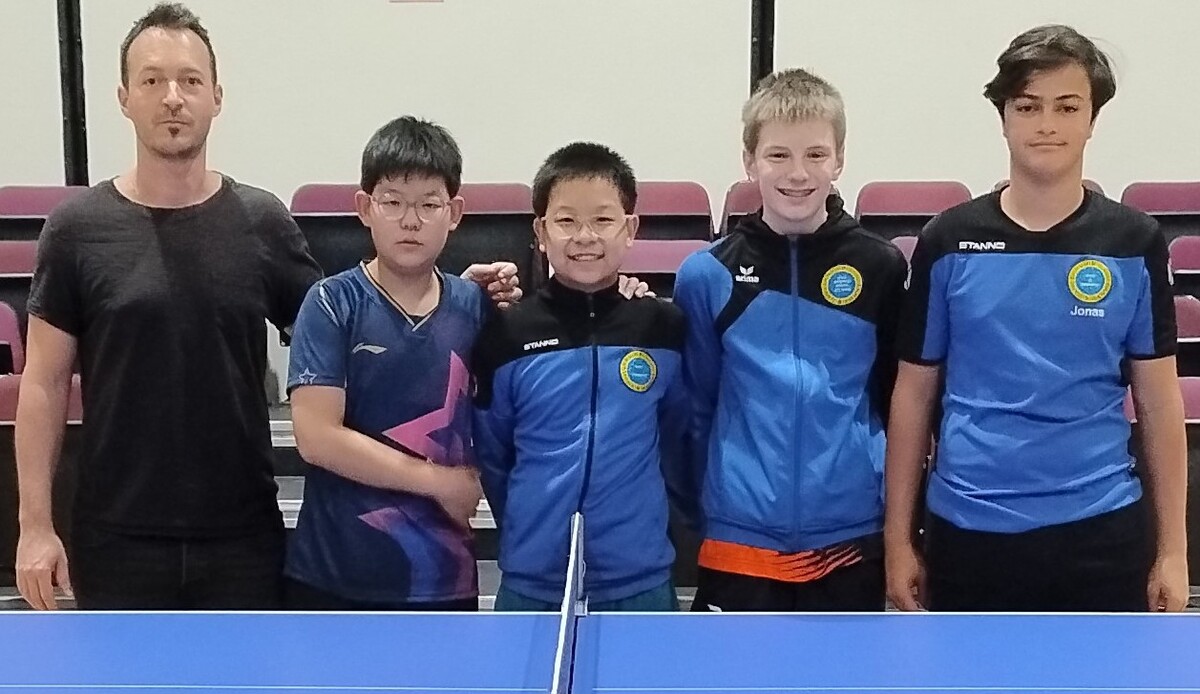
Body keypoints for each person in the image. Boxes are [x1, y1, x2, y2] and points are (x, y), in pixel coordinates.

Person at [14, 2, 519, 611]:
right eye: (152, 80)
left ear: (216, 97)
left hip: (242, 536)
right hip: (116, 535)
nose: (172, 98)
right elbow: (42, 385)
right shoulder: (75, 229)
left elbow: (361, 325)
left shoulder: (261, 222)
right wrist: (35, 526)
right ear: (124, 97)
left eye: (189, 80)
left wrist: (450, 294)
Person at [884, 25, 1188, 612]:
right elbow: (914, 395)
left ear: (1092, 119)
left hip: (1102, 532)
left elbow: (1158, 401)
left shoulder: (1134, 242)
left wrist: (1174, 551)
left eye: (1067, 107)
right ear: (1003, 117)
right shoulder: (947, 241)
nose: (1047, 124)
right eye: (1027, 106)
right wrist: (898, 540)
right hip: (968, 534)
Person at [672, 68, 907, 612]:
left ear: (839, 159)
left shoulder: (881, 266)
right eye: (778, 155)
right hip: (738, 540)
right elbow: (696, 407)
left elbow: (894, 402)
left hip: (850, 539)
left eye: (815, 155)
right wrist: (715, 504)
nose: (798, 174)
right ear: (749, 160)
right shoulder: (707, 275)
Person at [284, 116, 498, 610]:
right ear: (365, 208)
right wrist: (439, 481)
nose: (411, 221)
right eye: (393, 202)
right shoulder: (331, 302)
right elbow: (317, 437)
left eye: (429, 204)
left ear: (455, 212)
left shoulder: (476, 306)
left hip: (444, 581)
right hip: (332, 578)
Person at [472, 142, 688, 611]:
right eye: (566, 220)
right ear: (540, 231)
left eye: (603, 220)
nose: (585, 236)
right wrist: (529, 529)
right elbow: (493, 454)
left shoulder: (662, 328)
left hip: (640, 582)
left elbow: (676, 442)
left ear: (630, 229)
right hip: (532, 585)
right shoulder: (508, 333)